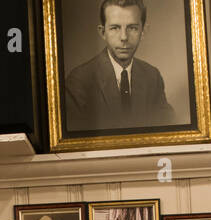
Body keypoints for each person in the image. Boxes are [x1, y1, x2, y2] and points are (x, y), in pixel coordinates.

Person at [64, 0, 175, 131]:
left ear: (143, 31)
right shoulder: (79, 80)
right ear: (102, 32)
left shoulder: (152, 76)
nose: (124, 37)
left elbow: (167, 129)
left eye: (132, 28)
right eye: (115, 28)